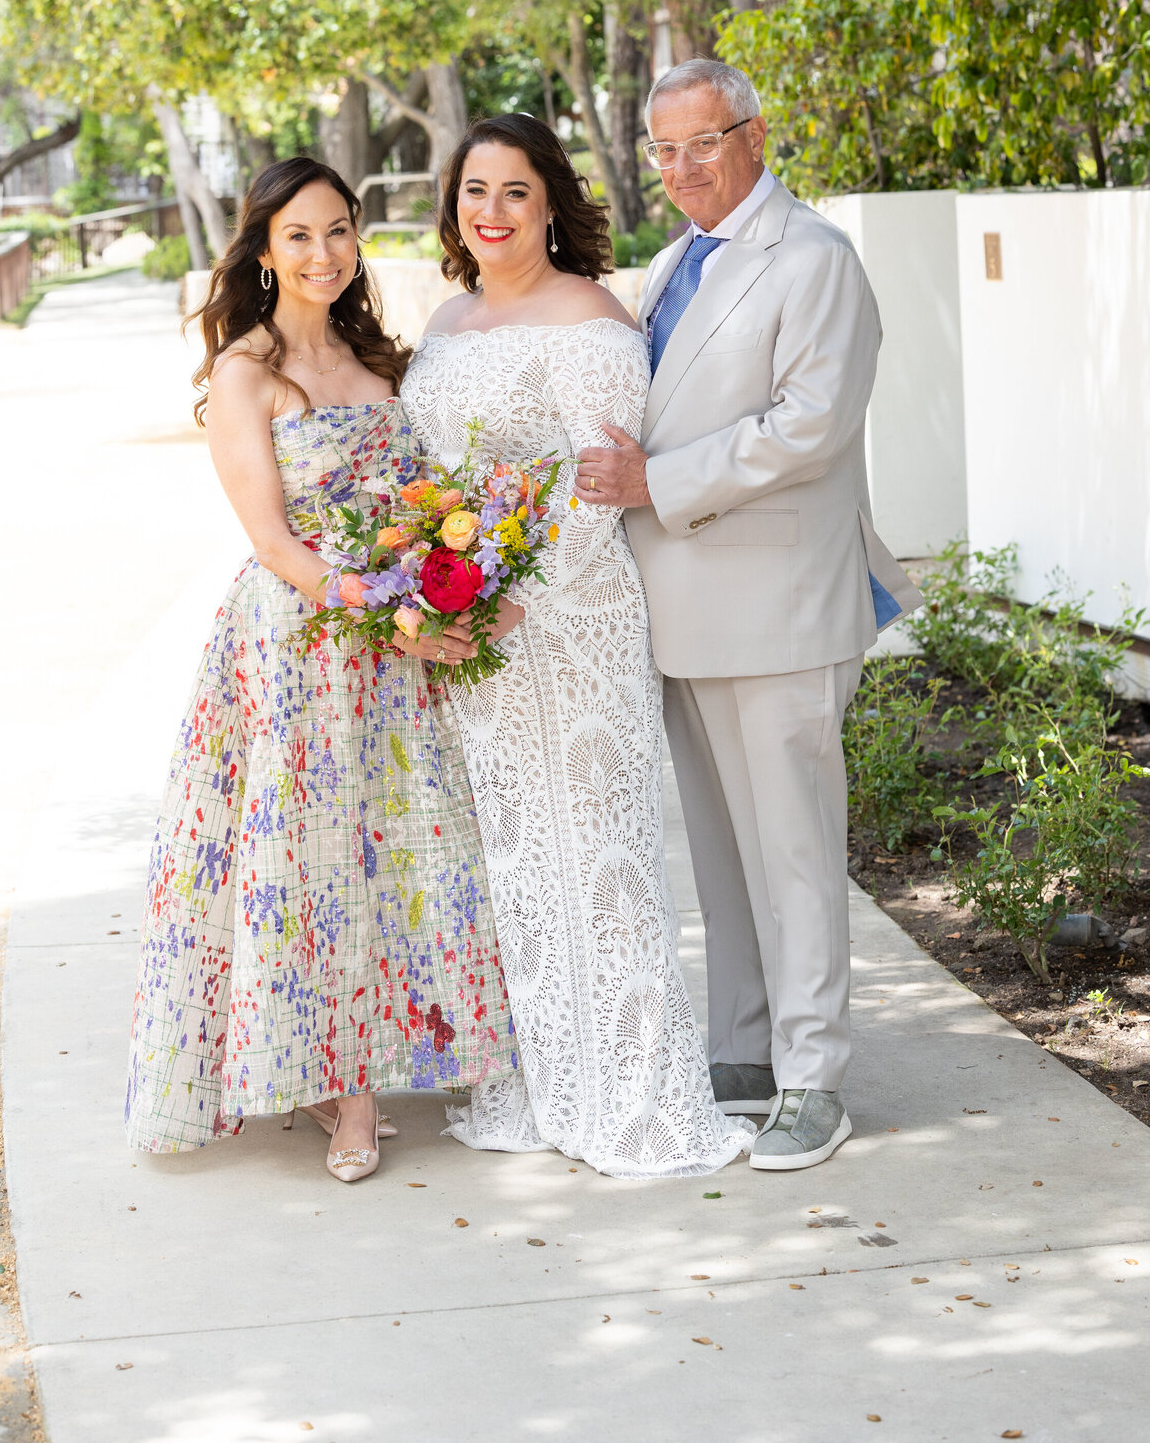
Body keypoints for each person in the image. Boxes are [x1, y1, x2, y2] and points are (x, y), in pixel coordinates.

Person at [126, 157, 516, 1182]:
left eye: (339, 230)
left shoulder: (383, 362)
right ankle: (346, 1097)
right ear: (263, 247)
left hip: (394, 659)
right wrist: (390, 613)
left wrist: (442, 598)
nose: (322, 253)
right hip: (297, 652)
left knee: (389, 860)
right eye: (298, 235)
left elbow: (427, 503)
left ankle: (375, 1056)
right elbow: (275, 542)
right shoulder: (245, 373)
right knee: (306, 868)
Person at [575, 59, 920, 1171]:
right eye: (662, 152)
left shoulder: (813, 258)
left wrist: (655, 487)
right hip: (678, 606)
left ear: (755, 136)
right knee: (721, 855)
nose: (681, 170)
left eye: (703, 144)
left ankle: (814, 1078)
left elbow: (810, 426)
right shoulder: (673, 264)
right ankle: (741, 1049)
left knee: (796, 854)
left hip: (777, 602)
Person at [401, 113, 748, 1178]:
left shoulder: (591, 317)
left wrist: (517, 597)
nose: (492, 213)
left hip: (571, 622)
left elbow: (598, 489)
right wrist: (440, 599)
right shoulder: (446, 321)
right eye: (475, 192)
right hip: (474, 640)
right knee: (511, 860)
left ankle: (637, 1102)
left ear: (551, 201)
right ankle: (546, 1087)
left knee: (600, 858)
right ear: (453, 206)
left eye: (515, 191)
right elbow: (428, 482)